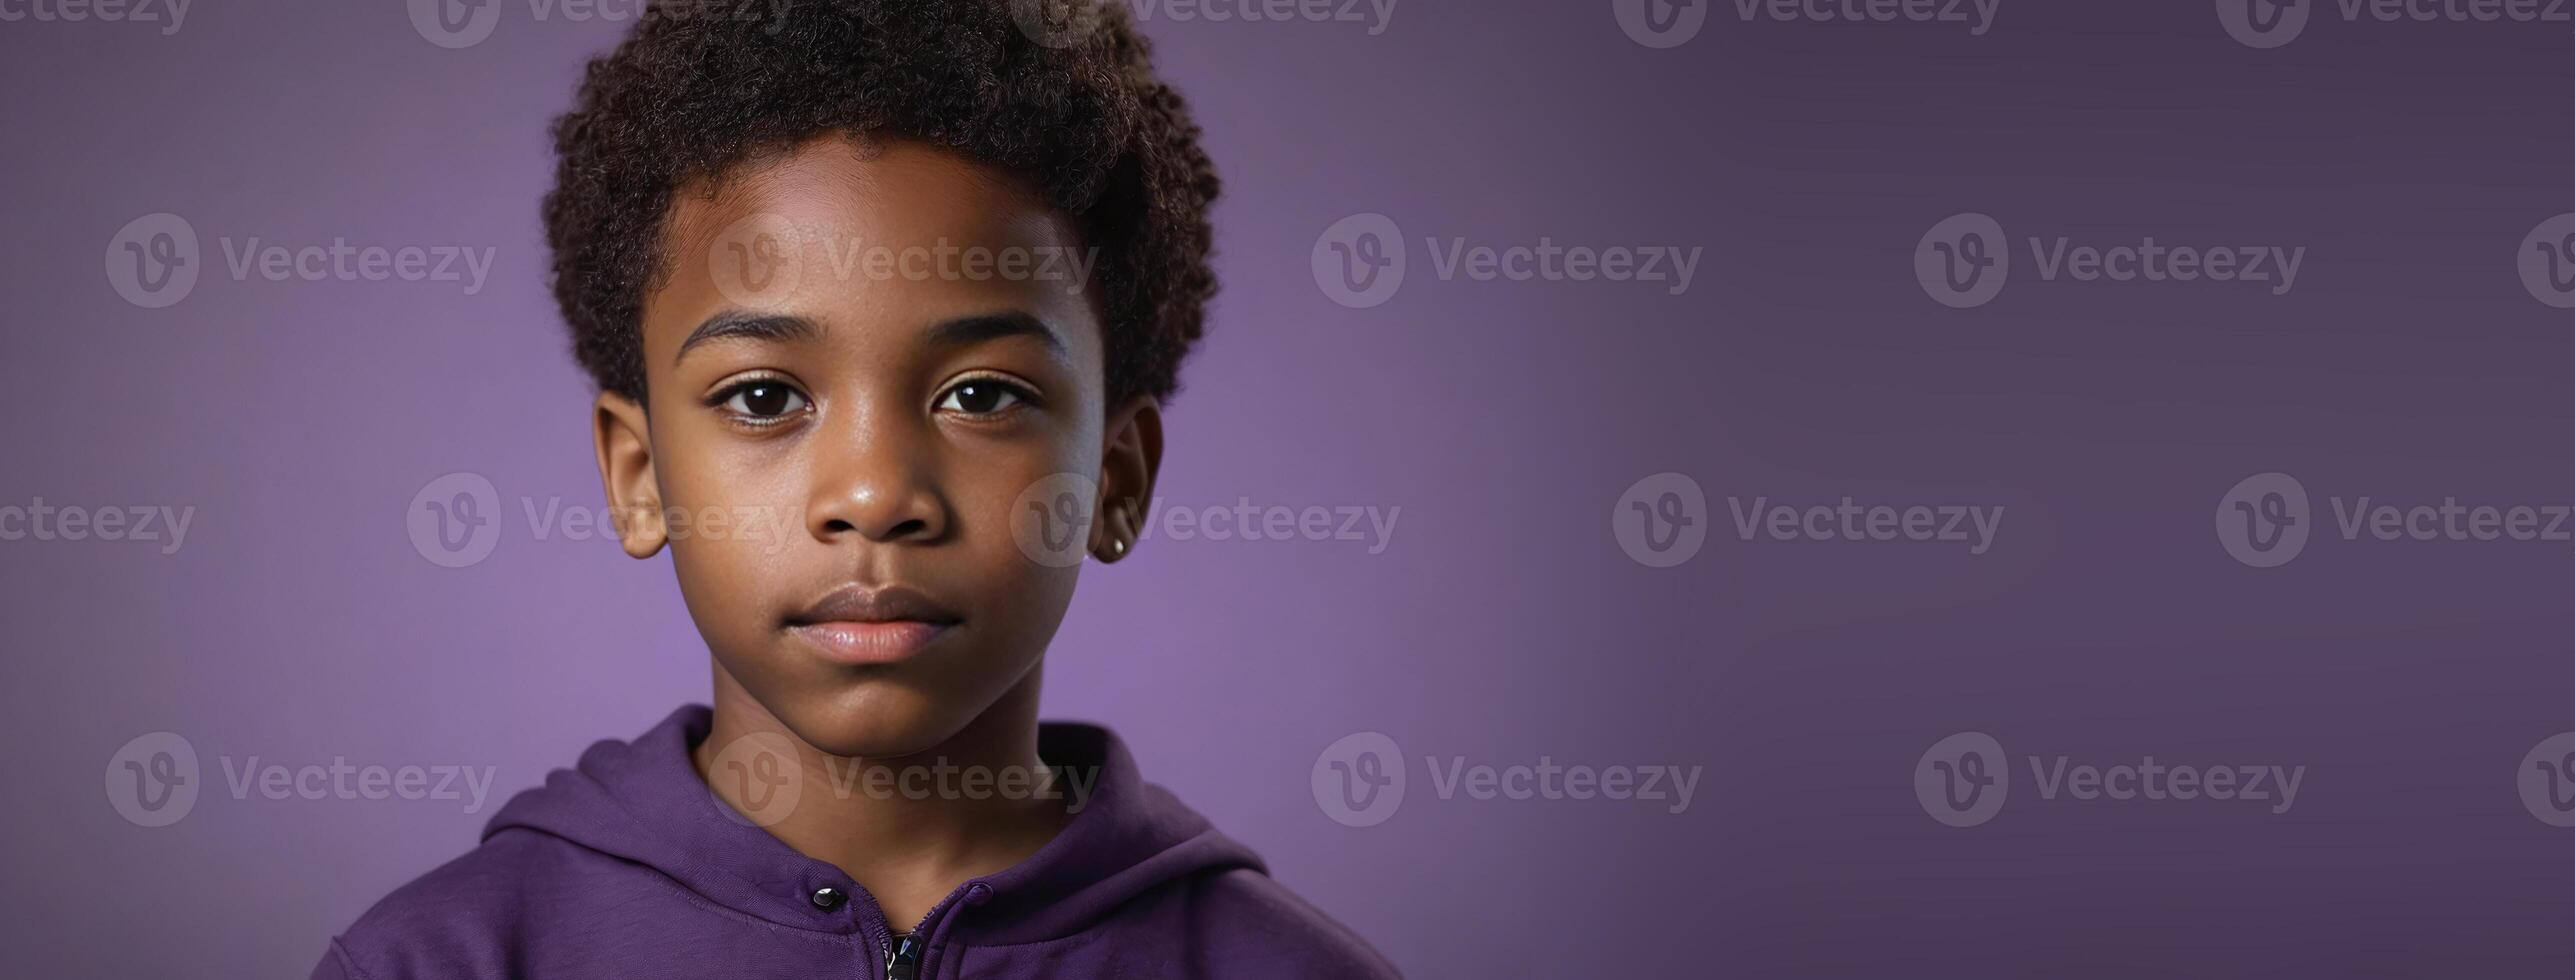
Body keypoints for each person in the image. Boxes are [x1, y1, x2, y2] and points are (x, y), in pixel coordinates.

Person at [311, 2, 1398, 976]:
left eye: (981, 393)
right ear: (637, 475)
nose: (876, 495)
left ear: (1115, 477)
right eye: (762, 396)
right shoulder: (445, 959)